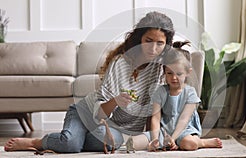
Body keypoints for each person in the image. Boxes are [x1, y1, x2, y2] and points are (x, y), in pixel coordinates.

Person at [4, 11, 175, 153]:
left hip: (114, 129)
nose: (153, 49)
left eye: (160, 43)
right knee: (71, 144)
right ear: (139, 39)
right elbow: (100, 114)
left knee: (108, 141)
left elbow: (156, 111)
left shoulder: (161, 69)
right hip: (87, 113)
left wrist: (154, 139)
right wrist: (116, 101)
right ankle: (37, 142)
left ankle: (72, 136)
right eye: (149, 41)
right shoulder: (120, 63)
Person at [147, 41, 223, 151]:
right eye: (169, 73)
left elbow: (184, 119)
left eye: (178, 74)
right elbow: (156, 117)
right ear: (164, 72)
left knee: (189, 144)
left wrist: (172, 139)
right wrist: (154, 139)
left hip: (184, 129)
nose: (173, 77)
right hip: (165, 130)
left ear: (188, 72)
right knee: (138, 141)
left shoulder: (190, 93)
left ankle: (202, 142)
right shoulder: (160, 91)